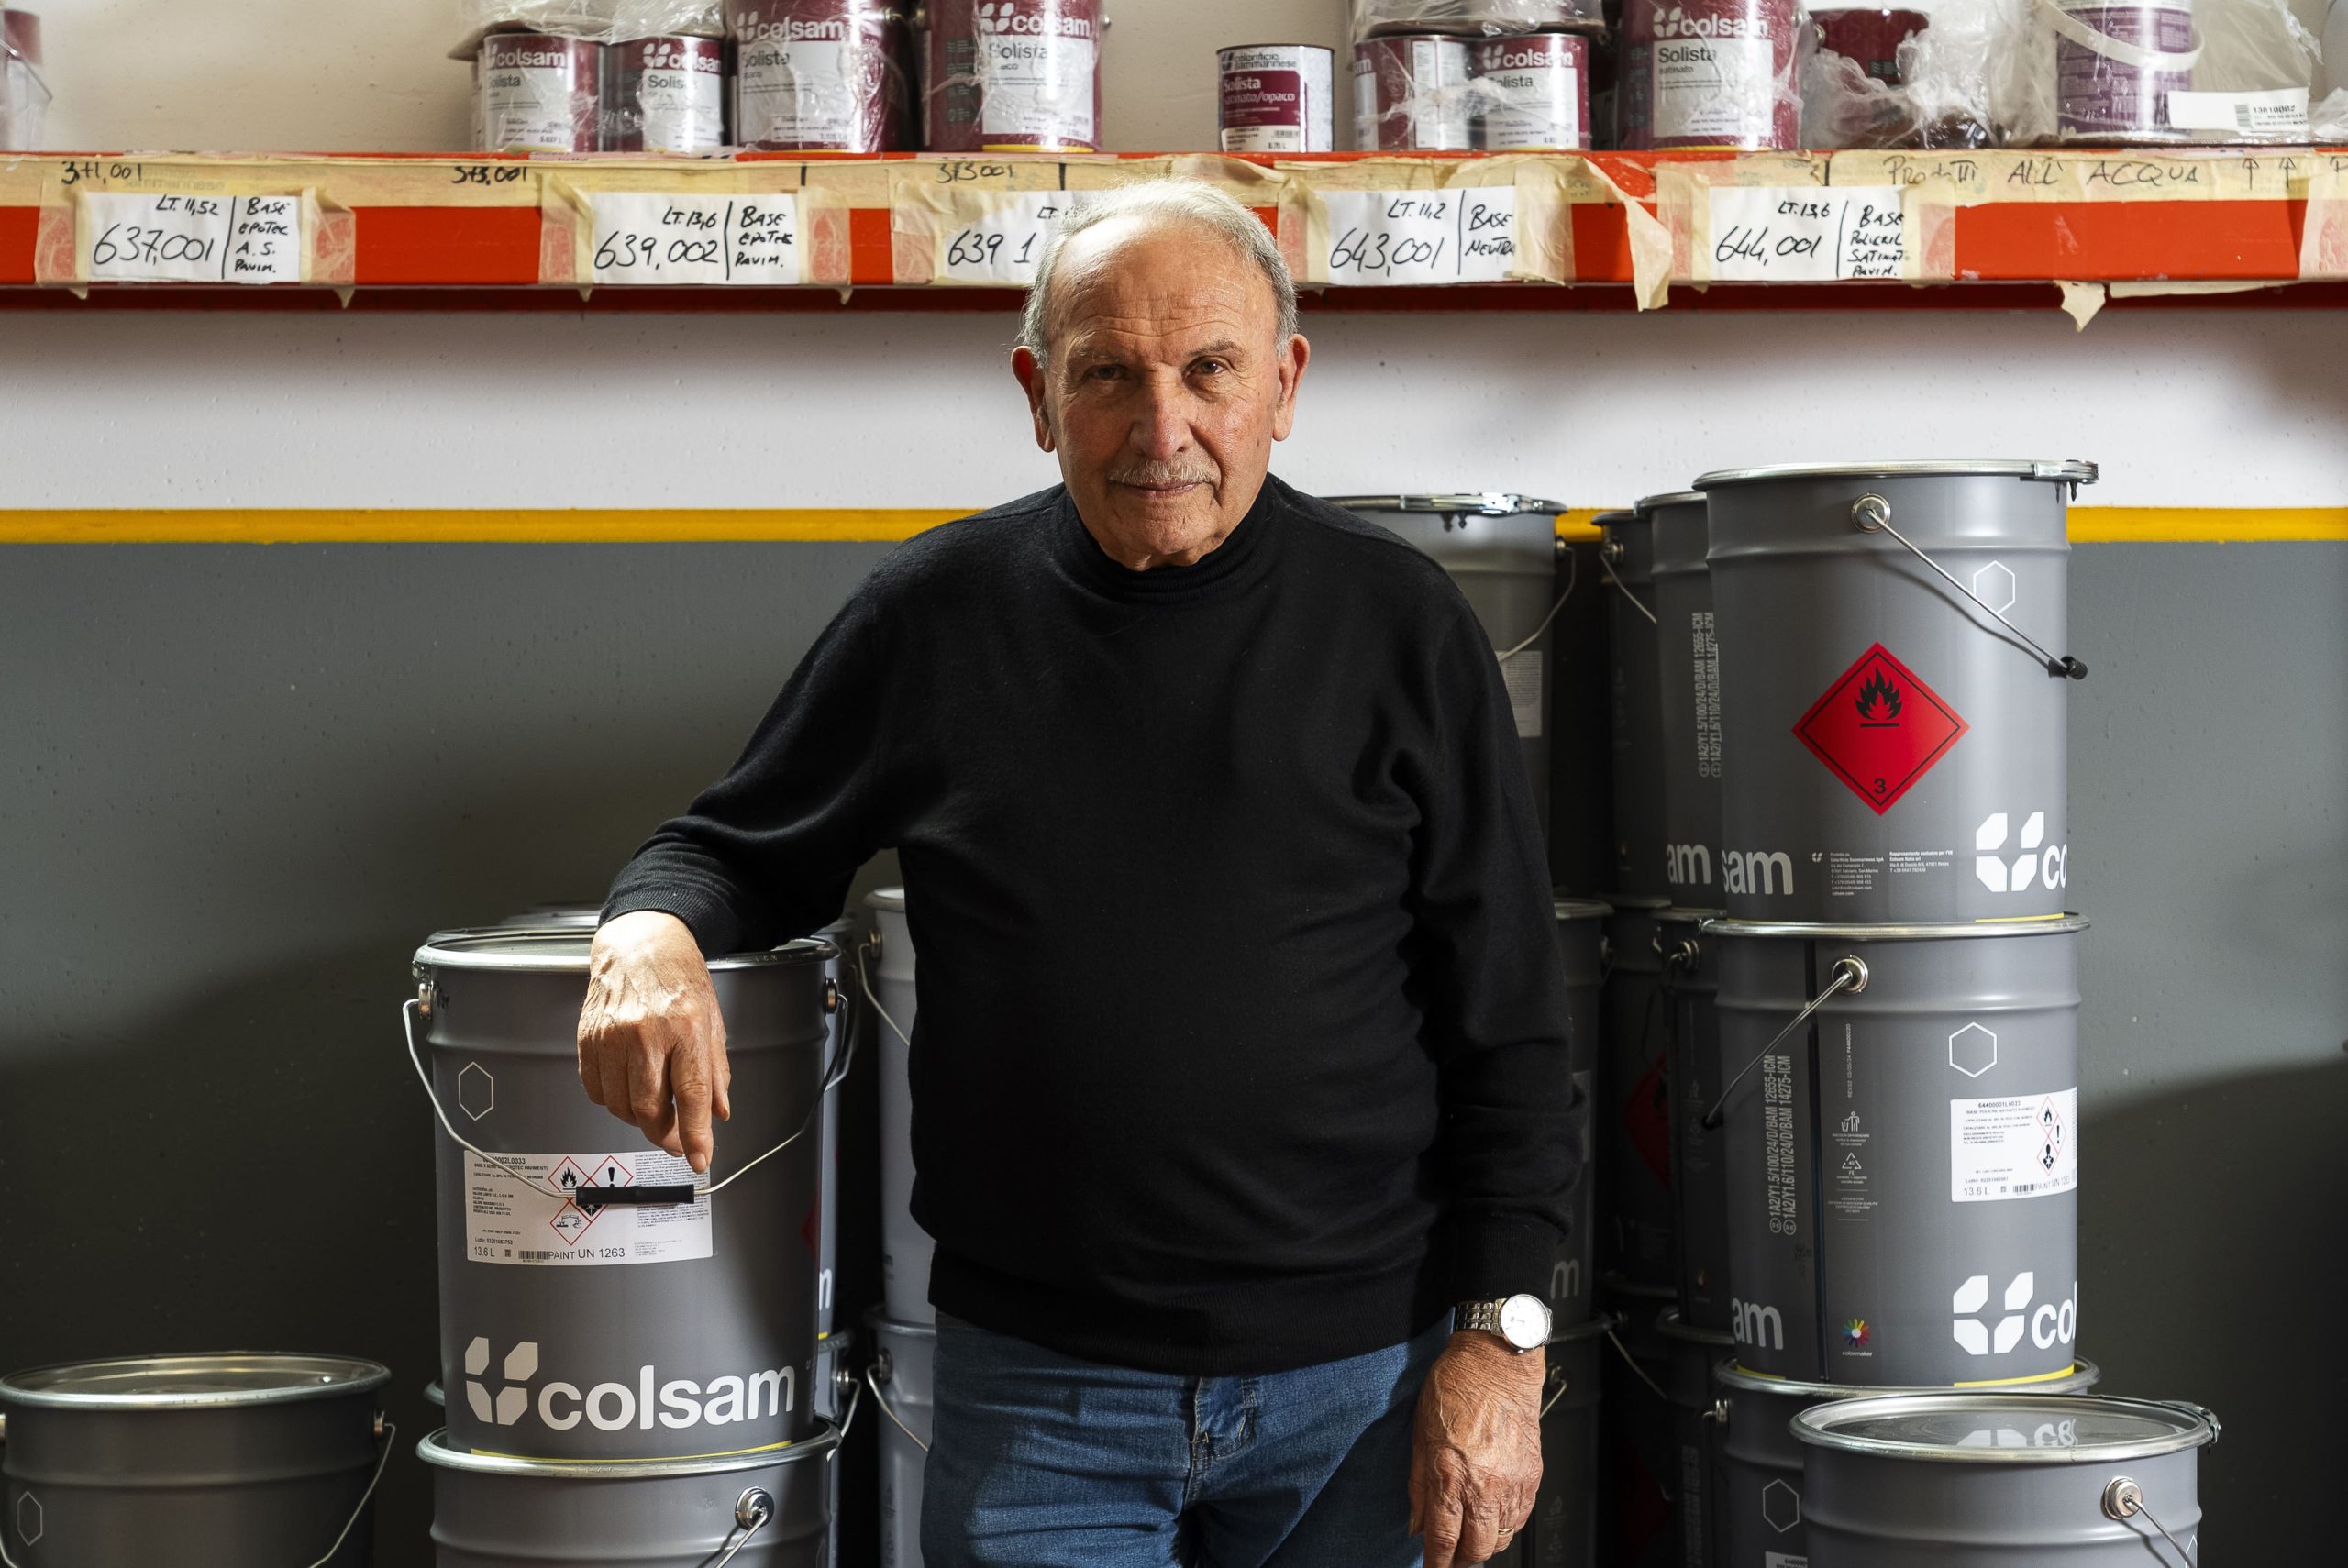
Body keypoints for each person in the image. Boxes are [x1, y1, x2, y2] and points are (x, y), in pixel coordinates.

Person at [577, 178, 1578, 1568]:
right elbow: (731, 850)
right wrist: (646, 931)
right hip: (1042, 1398)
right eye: (1109, 375)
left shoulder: (1401, 625)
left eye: (1209, 369)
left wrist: (1503, 1343)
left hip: (1363, 1386)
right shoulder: (935, 616)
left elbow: (1512, 1033)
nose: (1162, 428)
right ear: (1038, 395)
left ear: (1285, 385)